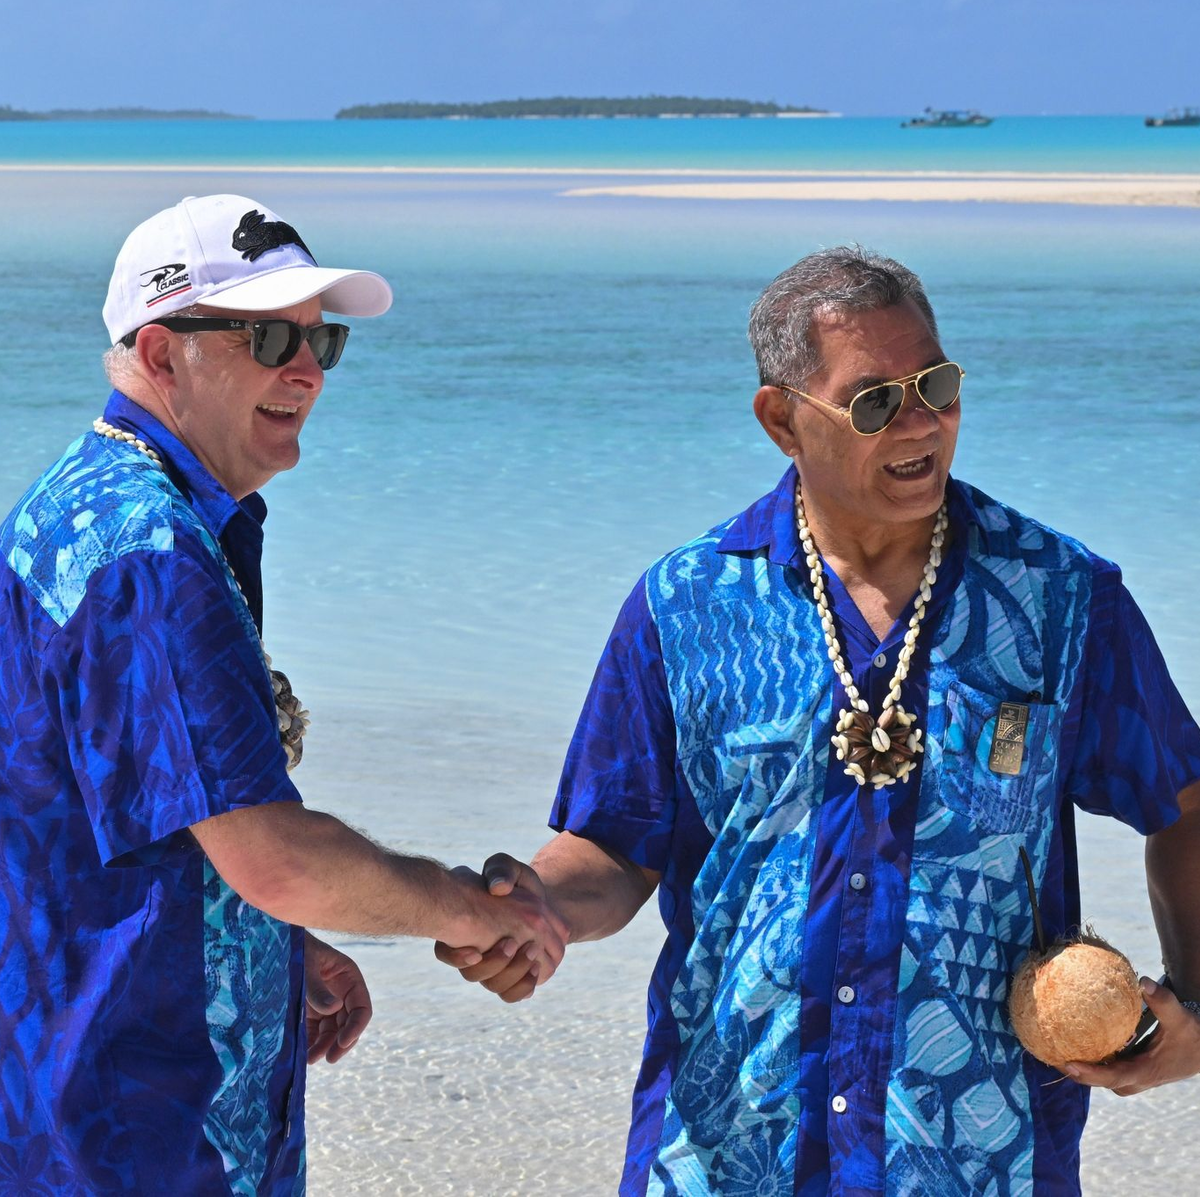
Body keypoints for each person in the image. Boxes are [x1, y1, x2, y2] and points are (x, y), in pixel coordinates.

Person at [436, 246, 1200, 1195]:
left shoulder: (1058, 598)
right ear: (782, 420)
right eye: (876, 399)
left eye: (938, 384)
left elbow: (1184, 805)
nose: (921, 421)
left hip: (980, 1151)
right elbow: (615, 845)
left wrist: (1198, 1007)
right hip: (723, 1146)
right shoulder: (688, 603)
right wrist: (538, 911)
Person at [0, 193, 565, 1195]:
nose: (305, 370)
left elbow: (116, 813)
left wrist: (278, 945)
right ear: (164, 353)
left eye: (321, 341)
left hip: (92, 1092)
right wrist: (469, 911)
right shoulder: (151, 550)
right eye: (268, 337)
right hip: (136, 1128)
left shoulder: (110, 508)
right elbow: (273, 855)